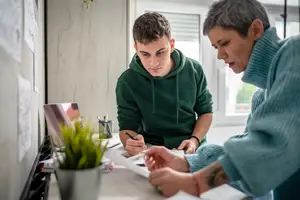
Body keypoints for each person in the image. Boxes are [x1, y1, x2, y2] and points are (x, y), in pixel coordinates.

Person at [144, 0, 300, 199]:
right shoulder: (262, 95)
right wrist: (186, 162)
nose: (219, 55)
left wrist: (196, 183)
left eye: (224, 43)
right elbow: (248, 152)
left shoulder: (296, 53)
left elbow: (270, 145)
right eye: (216, 47)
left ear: (256, 29)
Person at [115, 12, 213, 156]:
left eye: (160, 52)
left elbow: (206, 112)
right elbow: (126, 128)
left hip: (191, 148)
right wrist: (130, 143)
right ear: (136, 49)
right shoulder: (127, 81)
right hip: (150, 150)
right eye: (145, 54)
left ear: (172, 45)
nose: (153, 63)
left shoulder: (194, 70)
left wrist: (195, 140)